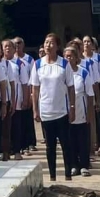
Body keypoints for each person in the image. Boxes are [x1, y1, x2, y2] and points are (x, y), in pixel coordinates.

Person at [30, 33, 75, 182]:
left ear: (57, 46)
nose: (48, 45)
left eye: (51, 43)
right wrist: (35, 110)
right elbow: (35, 89)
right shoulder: (37, 64)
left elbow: (70, 87)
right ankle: (53, 175)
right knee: (50, 147)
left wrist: (72, 107)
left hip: (61, 111)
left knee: (66, 144)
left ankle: (68, 174)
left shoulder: (64, 64)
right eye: (46, 42)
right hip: (46, 112)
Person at [64, 43, 94, 176]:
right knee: (70, 140)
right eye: (66, 57)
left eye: (71, 56)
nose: (68, 59)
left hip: (81, 110)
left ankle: (84, 165)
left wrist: (89, 114)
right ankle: (73, 165)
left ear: (76, 58)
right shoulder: (62, 73)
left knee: (82, 139)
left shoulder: (83, 72)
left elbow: (89, 94)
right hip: (66, 111)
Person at [4, 38, 28, 160]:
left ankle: (17, 150)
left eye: (10, 46)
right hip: (4, 101)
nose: (7, 48)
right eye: (5, 46)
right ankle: (6, 151)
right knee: (4, 128)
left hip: (17, 101)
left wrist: (25, 98)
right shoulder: (0, 63)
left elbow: (24, 83)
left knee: (16, 127)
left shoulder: (19, 63)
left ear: (14, 49)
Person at [13, 37, 37, 153]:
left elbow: (33, 78)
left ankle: (31, 142)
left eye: (19, 43)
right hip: (16, 96)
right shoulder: (10, 60)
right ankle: (21, 145)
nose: (17, 45)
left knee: (28, 119)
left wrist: (31, 95)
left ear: (23, 45)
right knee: (19, 121)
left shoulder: (29, 59)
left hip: (27, 92)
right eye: (15, 43)